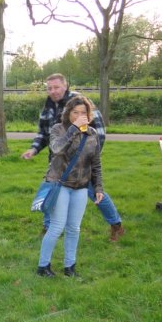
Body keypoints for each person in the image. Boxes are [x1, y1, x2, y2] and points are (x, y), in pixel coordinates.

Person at [21, 73, 125, 242]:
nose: (53, 91)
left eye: (56, 87)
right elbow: (44, 134)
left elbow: (99, 132)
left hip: (81, 164)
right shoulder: (48, 107)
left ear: (65, 86)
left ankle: (116, 225)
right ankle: (49, 227)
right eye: (49, 88)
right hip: (57, 162)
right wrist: (33, 149)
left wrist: (90, 159)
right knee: (51, 191)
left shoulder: (80, 102)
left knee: (95, 193)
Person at [37, 95, 104, 277]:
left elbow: (96, 164)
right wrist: (74, 129)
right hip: (60, 184)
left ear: (89, 115)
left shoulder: (92, 134)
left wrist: (98, 188)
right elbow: (57, 149)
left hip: (81, 187)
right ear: (68, 113)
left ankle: (70, 267)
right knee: (57, 227)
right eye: (75, 112)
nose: (80, 115)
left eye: (83, 112)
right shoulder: (59, 129)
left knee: (74, 228)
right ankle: (43, 267)